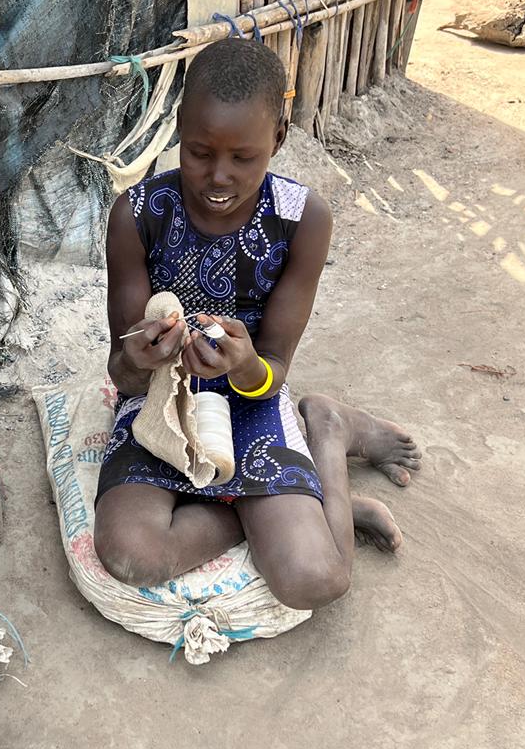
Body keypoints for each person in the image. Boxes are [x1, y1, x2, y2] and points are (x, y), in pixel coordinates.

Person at [94, 39, 422, 610]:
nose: (217, 177)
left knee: (318, 579)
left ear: (278, 138)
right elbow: (121, 375)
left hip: (251, 400)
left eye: (243, 158)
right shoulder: (137, 214)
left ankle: (327, 427)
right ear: (178, 129)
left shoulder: (303, 220)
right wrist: (140, 359)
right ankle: (283, 506)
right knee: (130, 554)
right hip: (159, 406)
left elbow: (274, 364)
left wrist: (244, 366)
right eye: (198, 152)